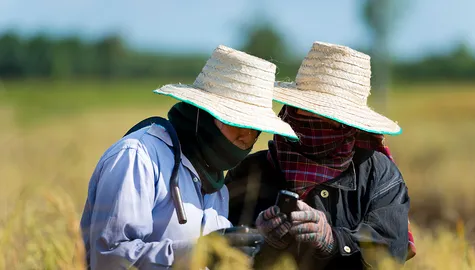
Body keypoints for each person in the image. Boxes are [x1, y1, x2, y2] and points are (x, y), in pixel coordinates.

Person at [79, 45, 298, 270]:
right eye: (237, 123)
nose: (247, 137)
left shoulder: (215, 183)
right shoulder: (138, 158)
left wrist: (255, 241)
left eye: (255, 129)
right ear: (203, 113)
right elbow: (109, 258)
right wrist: (200, 252)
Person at [226, 42, 416, 269]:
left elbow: (390, 254)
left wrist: (332, 240)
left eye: (328, 116)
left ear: (349, 123)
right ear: (291, 108)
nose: (314, 122)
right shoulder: (252, 171)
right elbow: (217, 247)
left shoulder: (379, 174)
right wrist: (260, 239)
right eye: (306, 110)